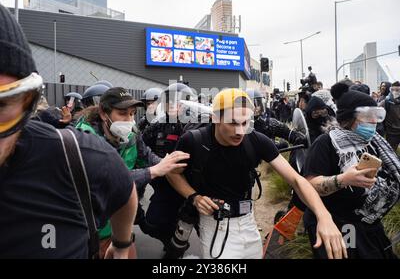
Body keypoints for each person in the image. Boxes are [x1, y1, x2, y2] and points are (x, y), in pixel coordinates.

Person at [0, 3, 137, 258]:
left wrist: (122, 243)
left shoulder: (79, 153)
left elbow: (123, 183)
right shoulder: (78, 133)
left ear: (25, 104)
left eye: (2, 105)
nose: (129, 119)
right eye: (122, 112)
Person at [167, 88, 347, 259]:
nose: (239, 131)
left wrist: (324, 216)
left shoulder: (255, 140)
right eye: (232, 123)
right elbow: (172, 173)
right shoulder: (193, 141)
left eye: (245, 122)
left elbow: (297, 180)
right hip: (215, 225)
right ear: (215, 118)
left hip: (248, 223)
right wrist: (194, 197)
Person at [75, 87, 189, 257]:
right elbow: (108, 180)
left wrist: (168, 163)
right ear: (103, 113)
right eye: (122, 113)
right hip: (88, 230)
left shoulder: (131, 135)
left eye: (132, 113)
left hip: (119, 226)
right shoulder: (83, 139)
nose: (129, 119)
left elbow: (146, 155)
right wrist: (153, 171)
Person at [302, 82, 400, 259]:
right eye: (367, 116)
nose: (373, 122)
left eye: (376, 115)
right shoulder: (326, 143)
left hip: (370, 223)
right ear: (348, 118)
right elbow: (308, 185)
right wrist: (343, 179)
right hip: (340, 224)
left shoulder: (375, 142)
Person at [141, 82, 194, 249]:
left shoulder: (198, 126)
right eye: (169, 102)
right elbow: (140, 149)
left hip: (193, 187)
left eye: (178, 102)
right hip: (165, 186)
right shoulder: (156, 127)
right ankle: (170, 240)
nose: (173, 106)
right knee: (152, 224)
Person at [380, 81, 400, 152]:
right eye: (393, 89)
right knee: (390, 154)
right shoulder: (386, 101)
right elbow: (377, 112)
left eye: (397, 90)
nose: (395, 92)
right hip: (392, 134)